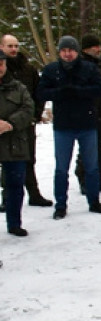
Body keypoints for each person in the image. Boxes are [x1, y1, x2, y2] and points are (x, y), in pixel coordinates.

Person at [36, 36, 101, 218]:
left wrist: (80, 91)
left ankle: (94, 200)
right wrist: (59, 93)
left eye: (71, 50)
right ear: (59, 52)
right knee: (62, 168)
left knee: (92, 166)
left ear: (77, 51)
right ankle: (60, 204)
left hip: (87, 123)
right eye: (64, 50)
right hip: (63, 125)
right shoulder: (52, 70)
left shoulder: (89, 68)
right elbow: (41, 92)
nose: (67, 54)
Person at [0, 34, 51, 208]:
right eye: (9, 46)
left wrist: (35, 114)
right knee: (7, 161)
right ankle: (7, 198)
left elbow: (39, 92)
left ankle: (34, 194)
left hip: (25, 123)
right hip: (2, 126)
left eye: (16, 45)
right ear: (2, 47)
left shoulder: (28, 69)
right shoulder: (2, 69)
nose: (13, 49)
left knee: (29, 158)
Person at [0, 50, 35, 236]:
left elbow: (29, 108)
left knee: (15, 185)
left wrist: (10, 124)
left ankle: (14, 223)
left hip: (15, 143)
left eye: (1, 64)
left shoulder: (18, 87)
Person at [77, 34, 101, 193]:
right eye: (95, 47)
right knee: (87, 149)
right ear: (86, 49)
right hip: (87, 114)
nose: (99, 49)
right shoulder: (80, 66)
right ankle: (84, 179)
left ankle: (99, 178)